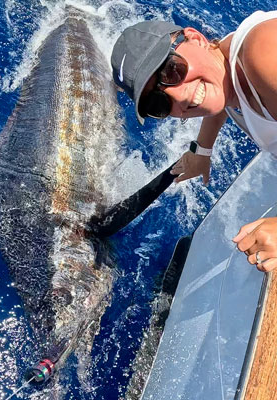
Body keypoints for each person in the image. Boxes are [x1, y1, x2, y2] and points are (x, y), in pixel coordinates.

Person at [111, 11, 277, 272]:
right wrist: (202, 150)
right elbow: (219, 93)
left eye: (171, 70)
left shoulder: (263, 54)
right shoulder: (229, 70)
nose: (180, 98)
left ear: (196, 38)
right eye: (159, 103)